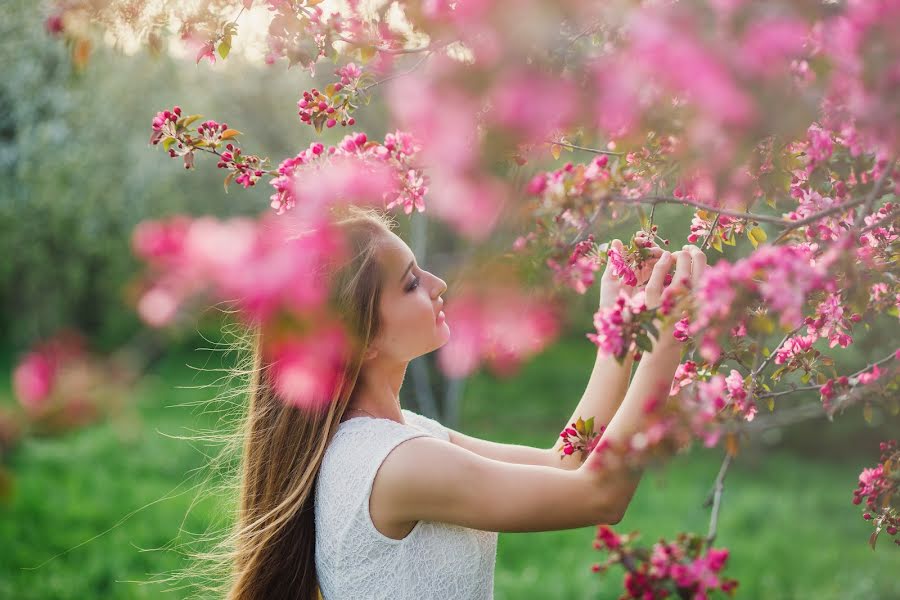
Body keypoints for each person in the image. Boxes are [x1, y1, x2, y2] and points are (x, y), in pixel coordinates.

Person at [225, 204, 706, 600]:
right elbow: (599, 495)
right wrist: (667, 344)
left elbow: (564, 464)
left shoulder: (401, 438)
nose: (438, 284)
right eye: (411, 283)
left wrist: (620, 337)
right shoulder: (398, 464)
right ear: (361, 339)